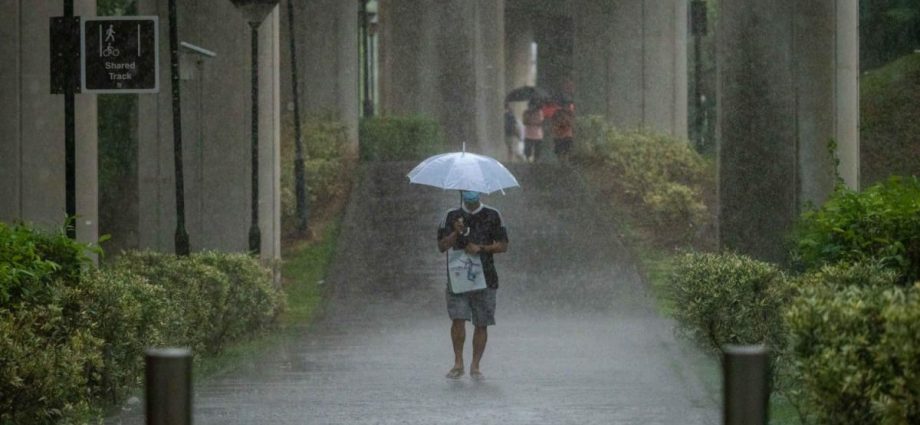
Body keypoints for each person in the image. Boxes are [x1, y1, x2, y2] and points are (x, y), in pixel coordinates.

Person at [437, 190, 508, 380]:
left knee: (481, 322)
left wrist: (481, 248)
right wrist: (456, 233)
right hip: (458, 276)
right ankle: (458, 362)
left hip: (486, 277)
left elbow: (503, 245)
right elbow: (442, 246)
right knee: (458, 319)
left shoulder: (493, 215)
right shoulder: (451, 216)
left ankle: (475, 365)